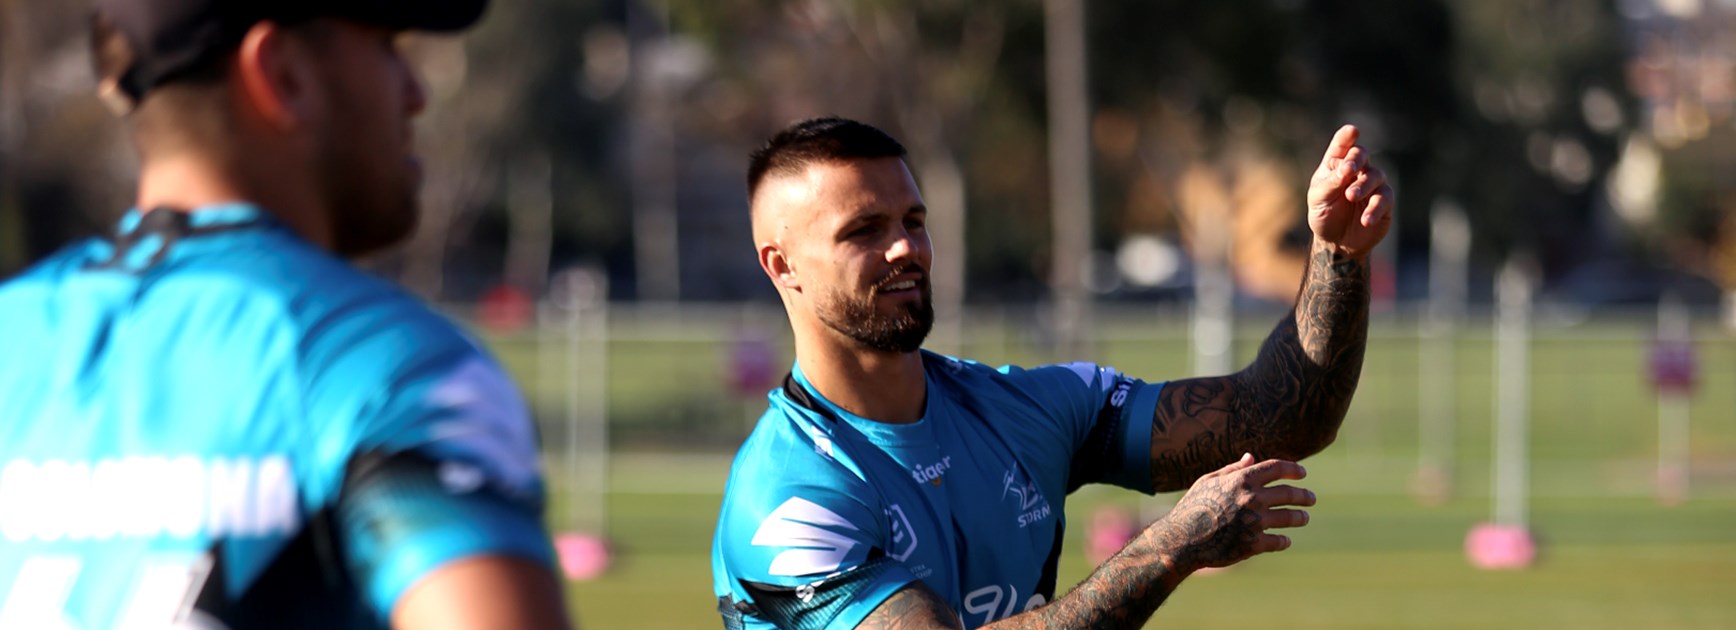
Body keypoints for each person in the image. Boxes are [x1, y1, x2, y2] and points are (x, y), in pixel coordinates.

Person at [0, 1, 572, 628]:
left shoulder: (16, 330)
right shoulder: (383, 363)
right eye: (386, 46)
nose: (416, 93)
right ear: (282, 75)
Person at [711, 116, 1392, 629]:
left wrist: (1337, 257)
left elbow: (1278, 416)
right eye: (864, 230)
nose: (904, 248)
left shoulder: (1024, 409)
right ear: (781, 264)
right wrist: (1169, 548)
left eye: (913, 221)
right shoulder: (786, 500)